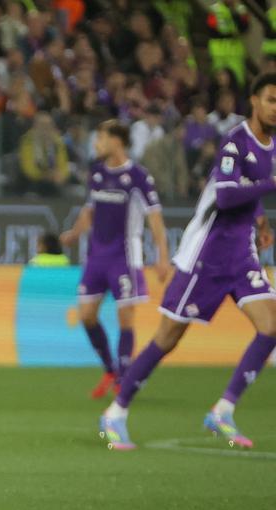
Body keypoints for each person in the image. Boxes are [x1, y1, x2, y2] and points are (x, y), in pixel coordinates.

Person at [100, 74, 276, 451]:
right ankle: (115, 413)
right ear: (254, 101)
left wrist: (261, 219)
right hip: (207, 256)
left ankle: (223, 409)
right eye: (271, 99)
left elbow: (251, 188)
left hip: (242, 253)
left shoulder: (271, 146)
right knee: (167, 338)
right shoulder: (235, 141)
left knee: (271, 325)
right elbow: (227, 197)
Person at [61, 120, 169, 398]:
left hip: (124, 257)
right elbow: (89, 211)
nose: (96, 143)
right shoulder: (96, 173)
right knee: (86, 316)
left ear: (117, 141)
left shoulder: (138, 177)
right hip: (96, 256)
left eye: (101, 138)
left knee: (126, 319)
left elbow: (155, 218)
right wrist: (74, 233)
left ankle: (123, 379)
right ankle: (110, 368)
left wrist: (162, 256)